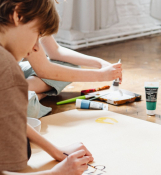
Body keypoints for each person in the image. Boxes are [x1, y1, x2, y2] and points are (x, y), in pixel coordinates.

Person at [0, 1, 92, 174]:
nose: (35, 47)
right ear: (18, 15)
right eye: (38, 33)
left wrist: (56, 151)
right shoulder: (7, 69)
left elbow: (7, 115)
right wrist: (56, 173)